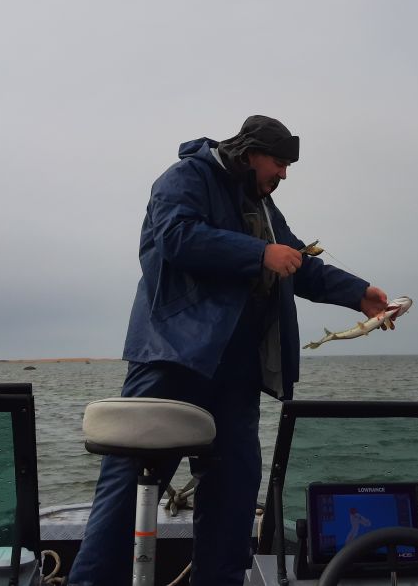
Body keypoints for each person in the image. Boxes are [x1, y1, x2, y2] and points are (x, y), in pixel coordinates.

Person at [67, 116, 390, 586]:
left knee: (234, 494)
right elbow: (176, 237)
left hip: (237, 374)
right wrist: (258, 254)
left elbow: (297, 263)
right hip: (173, 358)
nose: (284, 174)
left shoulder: (262, 206)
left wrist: (359, 294)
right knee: (128, 492)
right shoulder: (185, 177)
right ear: (249, 152)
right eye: (278, 162)